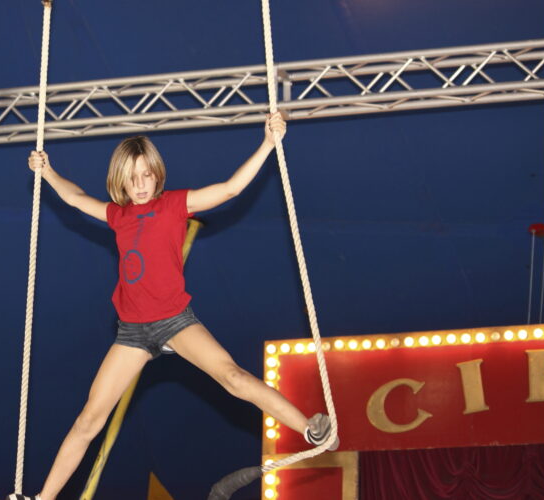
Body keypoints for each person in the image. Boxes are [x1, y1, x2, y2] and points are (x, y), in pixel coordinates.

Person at [24, 112, 336, 500]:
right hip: (132, 333)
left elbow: (229, 189)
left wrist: (269, 144)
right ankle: (43, 498)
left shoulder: (174, 205)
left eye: (146, 175)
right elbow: (75, 198)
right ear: (120, 180)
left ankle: (309, 427)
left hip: (175, 322)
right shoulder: (118, 215)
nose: (139, 184)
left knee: (233, 377)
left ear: (157, 175)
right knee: (89, 419)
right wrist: (48, 171)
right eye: (131, 177)